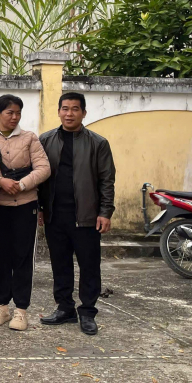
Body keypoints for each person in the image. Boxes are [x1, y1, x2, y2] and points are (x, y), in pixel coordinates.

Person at [38, 92, 115, 336]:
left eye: (74, 109)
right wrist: (39, 208)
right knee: (60, 265)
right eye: (65, 108)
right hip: (55, 215)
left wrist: (105, 212)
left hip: (87, 216)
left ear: (83, 113)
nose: (69, 113)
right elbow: (39, 177)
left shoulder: (98, 143)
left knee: (89, 266)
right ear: (59, 111)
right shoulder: (45, 140)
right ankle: (65, 308)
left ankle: (88, 312)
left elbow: (107, 180)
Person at [0, 94, 50, 331]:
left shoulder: (30, 138)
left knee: (23, 257)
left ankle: (21, 309)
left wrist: (21, 185)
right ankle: (2, 305)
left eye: (18, 113)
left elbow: (44, 168)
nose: (14, 117)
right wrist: (0, 181)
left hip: (25, 205)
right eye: (9, 112)